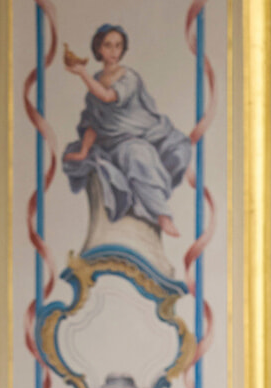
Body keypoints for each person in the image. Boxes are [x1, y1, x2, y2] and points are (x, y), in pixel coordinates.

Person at [63, 26, 190, 239]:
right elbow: (95, 122)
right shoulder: (95, 79)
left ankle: (162, 215)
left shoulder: (128, 77)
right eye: (108, 45)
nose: (114, 51)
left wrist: (81, 73)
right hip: (110, 144)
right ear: (99, 49)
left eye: (118, 46)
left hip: (136, 137)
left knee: (138, 155)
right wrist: (84, 151)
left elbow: (107, 96)